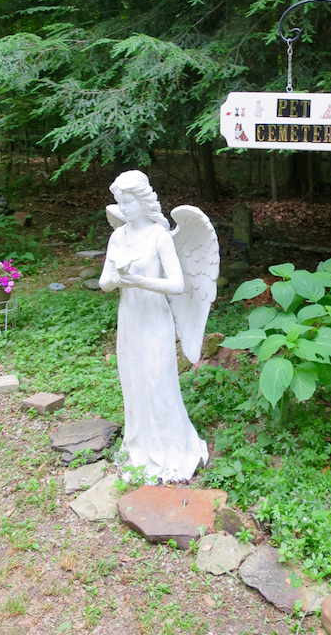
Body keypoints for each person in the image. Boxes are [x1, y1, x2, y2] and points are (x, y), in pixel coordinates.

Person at [99, 170, 208, 482]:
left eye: (129, 201)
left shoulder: (159, 236)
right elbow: (104, 282)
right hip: (130, 317)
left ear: (143, 200)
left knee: (158, 381)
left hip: (155, 318)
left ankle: (172, 449)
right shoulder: (117, 237)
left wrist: (139, 281)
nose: (124, 207)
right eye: (120, 201)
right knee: (134, 382)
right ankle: (141, 447)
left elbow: (176, 284)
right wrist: (118, 279)